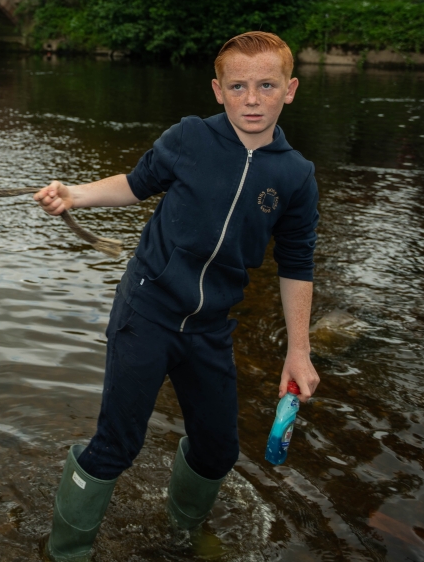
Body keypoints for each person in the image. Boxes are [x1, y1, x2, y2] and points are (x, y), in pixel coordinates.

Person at [35, 31, 319, 561]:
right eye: (238, 86)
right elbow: (136, 183)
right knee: (117, 445)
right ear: (218, 90)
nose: (251, 98)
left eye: (265, 85)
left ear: (290, 89)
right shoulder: (190, 138)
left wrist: (297, 350)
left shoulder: (296, 176)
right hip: (148, 310)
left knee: (218, 450)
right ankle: (65, 552)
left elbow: (297, 264)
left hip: (210, 327)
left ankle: (182, 536)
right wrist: (76, 194)